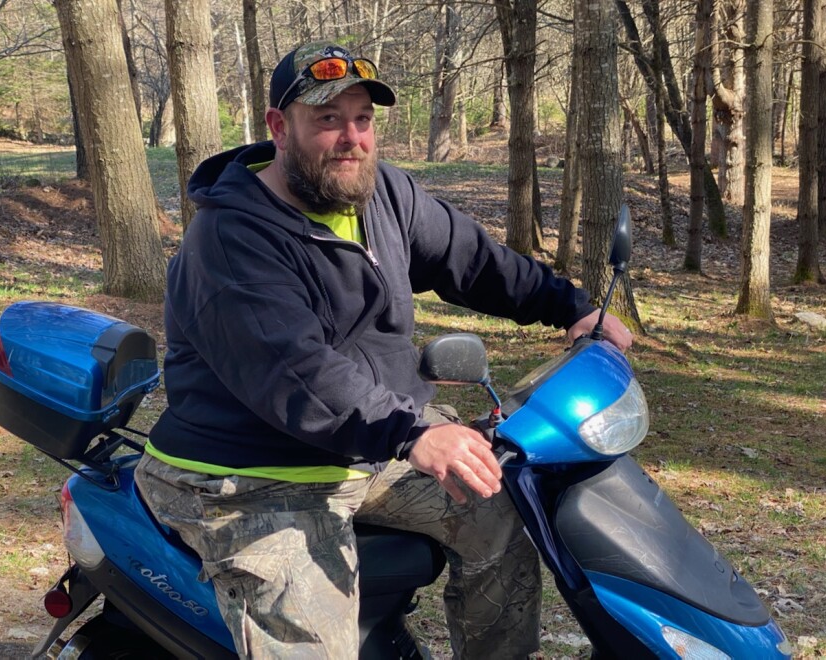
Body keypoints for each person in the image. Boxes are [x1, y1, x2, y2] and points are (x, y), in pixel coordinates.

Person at [135, 40, 632, 659]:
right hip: (253, 473)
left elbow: (472, 261)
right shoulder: (232, 238)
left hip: (366, 447)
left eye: (363, 119)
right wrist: (412, 432)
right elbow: (298, 371)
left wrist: (572, 307)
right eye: (327, 119)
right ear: (278, 128)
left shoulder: (382, 197)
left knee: (504, 509)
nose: (352, 138)